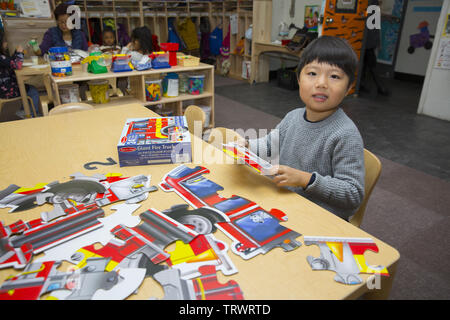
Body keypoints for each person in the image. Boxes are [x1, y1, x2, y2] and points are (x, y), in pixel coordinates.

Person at [245, 36, 365, 221]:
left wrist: (307, 180)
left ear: (348, 87)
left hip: (319, 218)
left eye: (334, 76)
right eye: (312, 73)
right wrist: (246, 146)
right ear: (299, 79)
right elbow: (270, 146)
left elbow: (353, 194)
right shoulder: (293, 117)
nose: (321, 83)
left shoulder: (345, 135)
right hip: (286, 202)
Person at [0, 31, 41, 117]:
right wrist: (19, 53)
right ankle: (33, 114)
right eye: (4, 41)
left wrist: (15, 53)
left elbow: (10, 62)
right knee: (32, 90)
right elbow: (17, 65)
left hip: (4, 88)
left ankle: (23, 110)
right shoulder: (1, 57)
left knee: (22, 86)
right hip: (5, 90)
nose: (6, 43)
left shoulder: (2, 57)